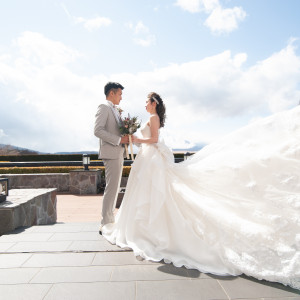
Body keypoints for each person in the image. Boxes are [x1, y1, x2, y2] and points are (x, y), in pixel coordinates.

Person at [101, 92, 300, 290]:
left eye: (147, 101)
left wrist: (135, 140)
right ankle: (145, 228)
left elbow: (153, 139)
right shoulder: (153, 117)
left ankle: (149, 231)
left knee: (154, 193)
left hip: (151, 159)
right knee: (148, 194)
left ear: (154, 103)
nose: (145, 104)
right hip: (148, 160)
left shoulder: (153, 118)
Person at [94, 82, 129, 234]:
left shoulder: (115, 110)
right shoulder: (104, 107)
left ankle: (110, 220)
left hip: (119, 153)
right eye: (120, 94)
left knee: (115, 188)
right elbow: (98, 130)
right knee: (111, 188)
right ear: (112, 93)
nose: (121, 97)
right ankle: (105, 222)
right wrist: (119, 140)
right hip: (111, 152)